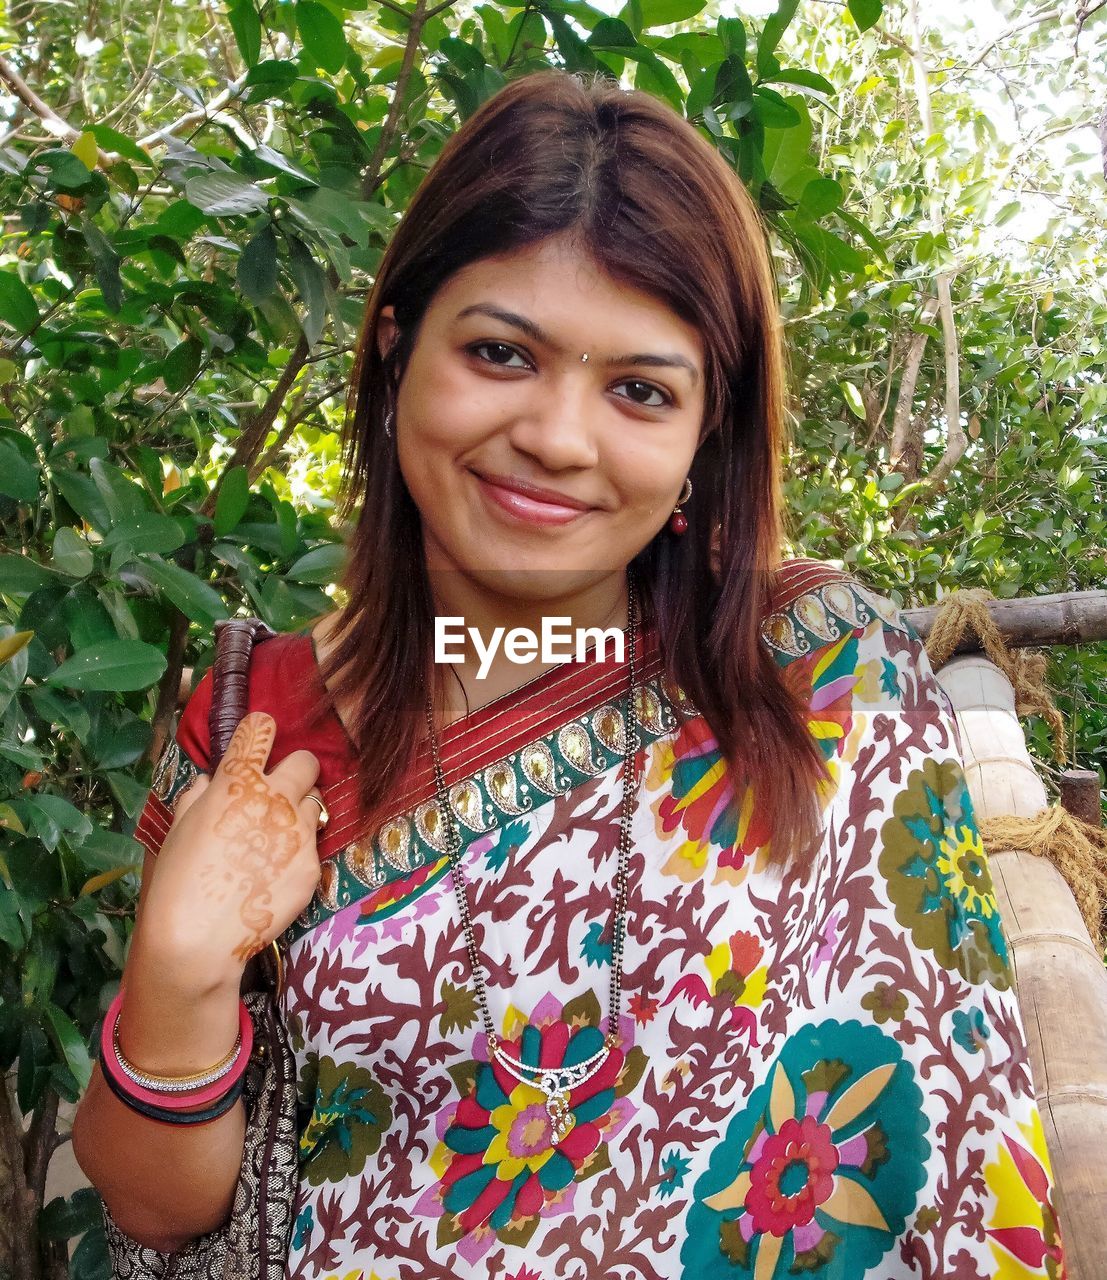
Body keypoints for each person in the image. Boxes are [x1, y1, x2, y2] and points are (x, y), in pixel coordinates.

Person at [73, 70, 1067, 1280]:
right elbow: (163, 1211)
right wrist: (180, 973)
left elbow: (954, 1148)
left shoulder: (819, 680)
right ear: (397, 346)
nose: (558, 435)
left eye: (640, 390)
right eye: (501, 352)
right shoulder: (264, 729)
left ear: (709, 427)